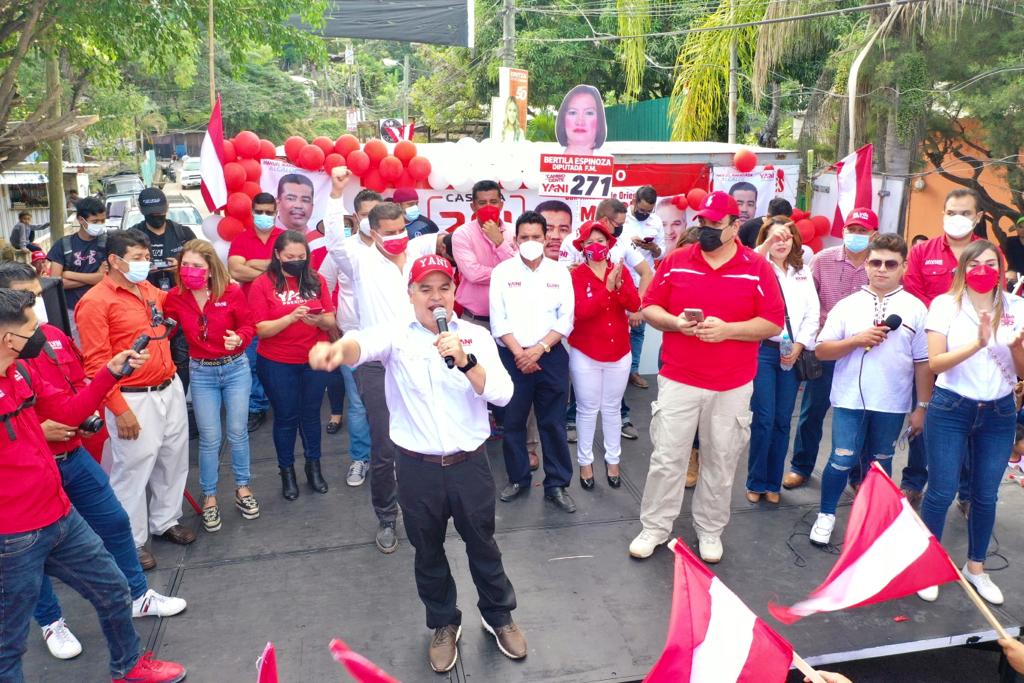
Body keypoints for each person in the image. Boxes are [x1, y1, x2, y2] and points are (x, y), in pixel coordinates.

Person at [309, 254, 526, 673]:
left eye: (443, 287)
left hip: (469, 465)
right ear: (410, 294)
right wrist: (338, 350)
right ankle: (444, 623)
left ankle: (499, 615)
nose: (435, 296)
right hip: (416, 468)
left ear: (455, 292)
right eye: (425, 288)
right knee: (427, 550)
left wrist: (465, 361)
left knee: (483, 543)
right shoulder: (397, 335)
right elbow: (362, 344)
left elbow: (501, 394)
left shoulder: (475, 338)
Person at [0, 263, 186, 662]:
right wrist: (38, 427)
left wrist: (109, 374)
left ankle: (133, 648)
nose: (41, 321)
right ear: (7, 334)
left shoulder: (27, 362)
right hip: (15, 529)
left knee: (113, 563)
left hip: (62, 495)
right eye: (30, 305)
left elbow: (67, 407)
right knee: (11, 636)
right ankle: (52, 622)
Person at [628, 191, 784, 563]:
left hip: (731, 383)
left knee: (721, 459)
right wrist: (677, 324)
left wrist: (728, 330)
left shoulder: (756, 267)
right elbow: (650, 308)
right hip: (680, 377)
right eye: (704, 223)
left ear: (734, 227)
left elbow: (773, 322)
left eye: (716, 224)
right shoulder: (678, 261)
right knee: (668, 458)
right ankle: (654, 527)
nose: (708, 230)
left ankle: (710, 530)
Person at [324, 200, 439, 552]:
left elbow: (455, 238)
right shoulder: (359, 261)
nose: (397, 237)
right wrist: (337, 193)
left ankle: (426, 511)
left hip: (420, 355)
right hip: (376, 361)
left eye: (401, 229)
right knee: (385, 443)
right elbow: (332, 239)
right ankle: (387, 517)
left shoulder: (419, 251)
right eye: (388, 233)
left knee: (425, 436)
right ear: (372, 232)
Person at [76, 229, 195, 571]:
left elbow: (175, 305)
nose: (145, 263)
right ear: (115, 260)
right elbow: (96, 364)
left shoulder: (148, 290)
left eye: (146, 257)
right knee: (132, 470)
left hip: (168, 385)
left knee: (173, 457)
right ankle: (131, 540)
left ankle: (166, 520)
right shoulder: (95, 302)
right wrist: (119, 410)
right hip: (131, 396)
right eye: (138, 258)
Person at [916, 240, 1024, 605]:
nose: (983, 270)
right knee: (942, 490)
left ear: (1001, 267)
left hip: (999, 412)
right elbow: (935, 364)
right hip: (951, 408)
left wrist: (1018, 350)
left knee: (984, 494)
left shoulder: (1017, 307)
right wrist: (978, 344)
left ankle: (975, 567)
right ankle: (929, 566)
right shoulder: (946, 305)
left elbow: (1021, 372)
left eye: (990, 263)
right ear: (962, 268)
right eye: (974, 263)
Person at [808, 234, 931, 546]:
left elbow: (922, 363)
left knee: (881, 462)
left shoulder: (916, 309)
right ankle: (826, 515)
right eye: (875, 262)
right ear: (867, 265)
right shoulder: (848, 306)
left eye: (891, 264)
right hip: (849, 399)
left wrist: (922, 407)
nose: (882, 269)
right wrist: (856, 341)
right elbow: (822, 351)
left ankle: (874, 519)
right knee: (841, 458)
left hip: (892, 402)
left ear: (903, 267)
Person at [901, 189, 987, 503]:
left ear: (978, 217)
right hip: (929, 352)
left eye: (965, 213)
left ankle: (966, 492)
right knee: (923, 414)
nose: (957, 219)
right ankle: (914, 481)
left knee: (969, 423)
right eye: (951, 212)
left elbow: (992, 299)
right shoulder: (923, 252)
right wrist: (944, 326)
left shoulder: (988, 255)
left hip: (972, 355)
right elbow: (914, 293)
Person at [165, 240, 258, 532]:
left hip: (235, 369)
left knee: (237, 431)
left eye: (197, 266)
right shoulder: (174, 297)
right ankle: (209, 497)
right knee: (209, 437)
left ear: (209, 269)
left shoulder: (230, 291)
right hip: (202, 371)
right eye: (185, 265)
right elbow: (164, 330)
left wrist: (239, 339)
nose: (190, 271)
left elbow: (249, 326)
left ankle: (243, 488)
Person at [784, 208, 877, 490]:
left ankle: (858, 475)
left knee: (859, 415)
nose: (856, 235)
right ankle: (801, 466)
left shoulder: (879, 265)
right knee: (813, 412)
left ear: (874, 234)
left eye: (862, 231)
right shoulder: (823, 260)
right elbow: (806, 303)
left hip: (863, 352)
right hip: (824, 349)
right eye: (852, 229)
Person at [490, 211, 576, 513]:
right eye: (524, 237)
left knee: (552, 422)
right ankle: (518, 479)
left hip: (549, 356)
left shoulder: (560, 273)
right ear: (515, 239)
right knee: (512, 422)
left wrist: (538, 349)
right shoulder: (502, 272)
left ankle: (557, 484)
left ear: (546, 238)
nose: (530, 242)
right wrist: (519, 353)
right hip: (512, 357)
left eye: (536, 237)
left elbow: (566, 320)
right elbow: (498, 321)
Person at [248, 230, 336, 500]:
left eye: (301, 256)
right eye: (290, 257)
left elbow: (331, 320)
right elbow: (261, 329)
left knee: (311, 416)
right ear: (277, 255)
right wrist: (291, 317)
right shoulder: (263, 284)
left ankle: (314, 467)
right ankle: (286, 471)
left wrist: (318, 321)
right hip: (277, 362)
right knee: (286, 418)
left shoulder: (316, 279)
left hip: (314, 358)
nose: (296, 261)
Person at [560, 197, 654, 441]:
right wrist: (600, 284)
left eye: (601, 241)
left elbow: (646, 273)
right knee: (586, 398)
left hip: (615, 333)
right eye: (617, 223)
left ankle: (622, 419)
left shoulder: (621, 244)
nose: (620, 229)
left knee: (612, 394)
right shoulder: (573, 242)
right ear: (604, 219)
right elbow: (570, 294)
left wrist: (637, 306)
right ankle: (573, 423)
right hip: (586, 335)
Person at [746, 218, 820, 503]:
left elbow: (813, 312)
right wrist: (765, 243)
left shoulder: (802, 271)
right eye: (774, 237)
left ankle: (773, 484)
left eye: (786, 237)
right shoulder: (758, 266)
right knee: (763, 418)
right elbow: (748, 260)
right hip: (763, 351)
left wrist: (800, 345)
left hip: (793, 352)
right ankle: (756, 481)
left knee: (781, 421)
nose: (781, 242)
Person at [567, 221, 639, 490]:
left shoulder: (620, 271)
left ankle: (613, 460)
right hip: (585, 352)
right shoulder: (575, 276)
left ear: (609, 244)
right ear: (582, 247)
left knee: (611, 408)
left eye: (600, 240)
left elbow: (633, 305)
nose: (595, 246)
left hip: (619, 351)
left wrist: (619, 286)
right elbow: (581, 313)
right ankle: (585, 462)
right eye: (590, 242)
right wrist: (606, 288)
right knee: (586, 409)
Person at [319, 177, 378, 486]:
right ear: (356, 218)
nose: (372, 219)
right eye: (366, 214)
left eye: (377, 212)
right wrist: (333, 326)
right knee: (357, 403)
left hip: (387, 339)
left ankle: (392, 459)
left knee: (391, 401)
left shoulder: (393, 249)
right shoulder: (342, 251)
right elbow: (322, 287)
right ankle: (360, 458)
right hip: (352, 338)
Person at [228, 192, 283, 433]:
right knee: (251, 365)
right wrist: (273, 269)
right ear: (251, 212)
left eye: (269, 212)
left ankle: (282, 404)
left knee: (282, 363)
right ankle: (256, 407)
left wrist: (253, 263)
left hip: (281, 314)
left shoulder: (285, 238)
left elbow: (291, 268)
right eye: (259, 212)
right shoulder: (241, 239)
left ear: (276, 212)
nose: (264, 216)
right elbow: (236, 271)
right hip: (250, 315)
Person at [451, 180, 516, 325]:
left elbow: (523, 269)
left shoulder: (515, 231)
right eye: (482, 203)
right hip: (476, 321)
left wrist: (500, 242)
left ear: (501, 204)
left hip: (512, 320)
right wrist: (509, 274)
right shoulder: (462, 234)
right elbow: (473, 274)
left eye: (493, 201)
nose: (488, 207)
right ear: (473, 206)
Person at [620, 186, 665, 390]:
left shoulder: (655, 221)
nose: (645, 214)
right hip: (621, 278)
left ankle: (633, 371)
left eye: (649, 211)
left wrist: (654, 248)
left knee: (638, 330)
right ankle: (618, 369)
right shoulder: (622, 217)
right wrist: (629, 242)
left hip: (644, 280)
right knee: (618, 325)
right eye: (642, 209)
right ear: (634, 201)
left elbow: (661, 252)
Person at [47, 196, 108, 336]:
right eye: (95, 221)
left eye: (102, 221)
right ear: (81, 219)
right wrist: (96, 277)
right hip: (71, 310)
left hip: (101, 308)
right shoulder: (63, 245)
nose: (100, 224)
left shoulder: (108, 243)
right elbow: (55, 283)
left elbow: (106, 279)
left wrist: (68, 274)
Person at [130, 188, 197, 293]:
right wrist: (141, 268)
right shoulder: (131, 236)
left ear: (167, 207)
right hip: (144, 295)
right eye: (152, 214)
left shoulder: (184, 233)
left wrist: (181, 267)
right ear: (141, 210)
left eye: (160, 212)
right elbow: (121, 268)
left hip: (180, 294)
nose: (157, 216)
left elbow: (202, 265)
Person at [556, 84, 606, 156]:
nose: (580, 121)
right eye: (573, 112)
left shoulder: (610, 163)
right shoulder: (542, 160)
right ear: (563, 118)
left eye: (589, 113)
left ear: (599, 119)